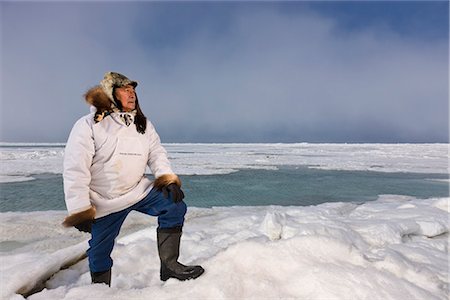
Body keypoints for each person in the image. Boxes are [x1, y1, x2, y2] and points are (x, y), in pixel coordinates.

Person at [62, 72, 204, 286]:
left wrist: (167, 178)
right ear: (110, 94)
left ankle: (170, 266)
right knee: (100, 251)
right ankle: (100, 290)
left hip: (138, 191)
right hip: (104, 200)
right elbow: (75, 169)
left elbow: (156, 153)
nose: (132, 94)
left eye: (133, 90)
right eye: (125, 90)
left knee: (174, 206)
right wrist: (80, 210)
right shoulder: (88, 125)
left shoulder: (142, 124)